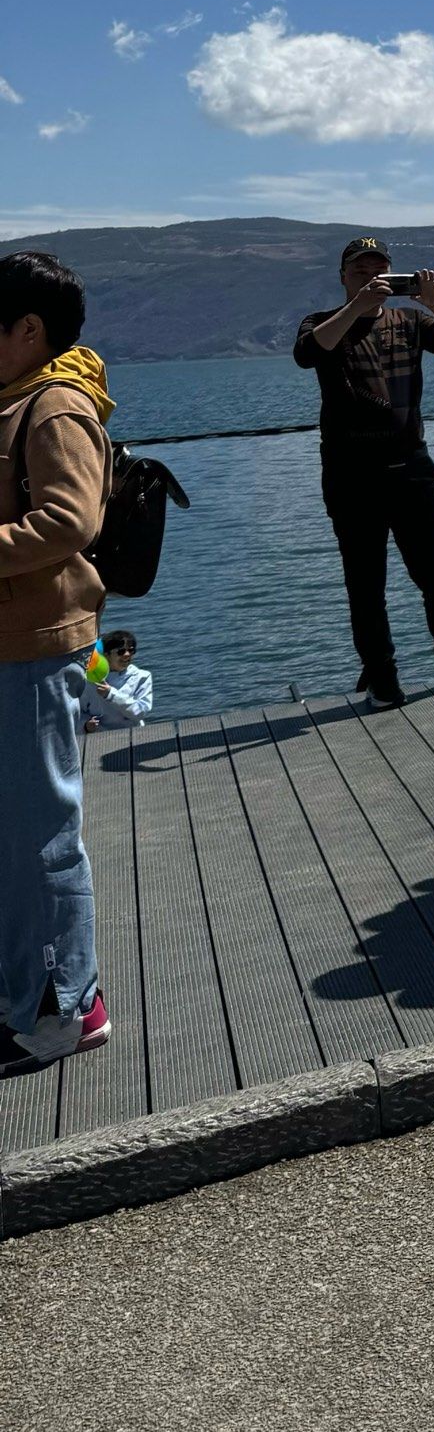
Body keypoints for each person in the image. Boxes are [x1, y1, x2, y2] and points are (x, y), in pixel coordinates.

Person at [293, 239, 434, 712]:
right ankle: (383, 680)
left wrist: (433, 301)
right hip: (351, 475)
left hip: (412, 467)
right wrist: (357, 308)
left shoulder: (409, 321)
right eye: (361, 269)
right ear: (343, 276)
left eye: (380, 269)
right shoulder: (321, 322)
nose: (371, 276)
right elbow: (307, 354)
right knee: (366, 583)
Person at [0, 250, 116, 1076]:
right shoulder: (12, 402)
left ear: (28, 329)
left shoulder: (53, 408)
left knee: (41, 839)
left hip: (36, 651)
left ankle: (62, 1011)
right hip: (12, 646)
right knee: (15, 836)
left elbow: (69, 522)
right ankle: (39, 993)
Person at [84, 627, 153, 730]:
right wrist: (85, 725)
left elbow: (141, 712)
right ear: (106, 655)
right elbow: (78, 711)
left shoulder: (142, 677)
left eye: (131, 650)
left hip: (133, 733)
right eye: (121, 651)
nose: (127, 655)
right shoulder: (90, 679)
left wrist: (111, 694)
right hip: (99, 738)